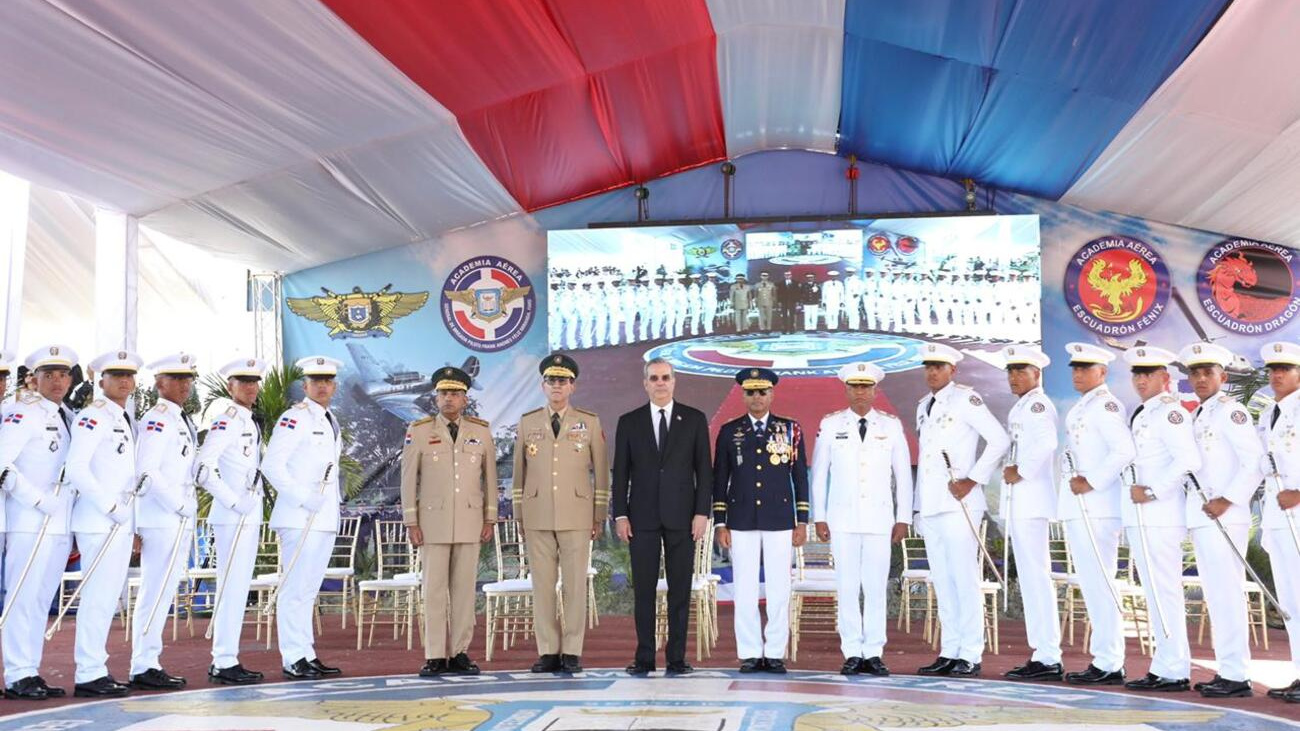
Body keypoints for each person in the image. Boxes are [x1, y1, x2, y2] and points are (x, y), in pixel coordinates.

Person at [914, 343, 1008, 677]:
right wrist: (917, 510)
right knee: (942, 579)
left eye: (938, 366)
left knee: (964, 578)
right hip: (933, 506)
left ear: (953, 370)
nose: (932, 372)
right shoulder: (924, 405)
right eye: (928, 366)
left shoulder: (965, 399)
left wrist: (973, 480)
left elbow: (999, 439)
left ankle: (970, 653)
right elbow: (925, 462)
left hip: (959, 505)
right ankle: (950, 649)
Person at [810, 362, 911, 676]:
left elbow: (903, 474)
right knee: (847, 586)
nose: (860, 392)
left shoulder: (890, 426)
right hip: (842, 518)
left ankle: (874, 651)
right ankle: (852, 651)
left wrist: (903, 516)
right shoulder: (831, 425)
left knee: (876, 586)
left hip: (880, 518)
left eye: (866, 386)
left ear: (875, 390)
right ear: (847, 389)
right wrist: (820, 516)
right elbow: (818, 473)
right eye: (855, 386)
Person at [612, 358, 711, 676]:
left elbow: (704, 472)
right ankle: (643, 657)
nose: (660, 383)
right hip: (641, 519)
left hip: (683, 517)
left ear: (674, 381)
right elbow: (621, 474)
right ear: (645, 383)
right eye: (654, 378)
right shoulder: (629, 422)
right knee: (643, 590)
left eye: (665, 377)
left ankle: (677, 658)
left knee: (680, 590)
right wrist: (620, 515)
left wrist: (701, 513)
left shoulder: (694, 419)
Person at [512, 354, 609, 674]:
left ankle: (572, 650)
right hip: (537, 512)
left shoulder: (589, 422)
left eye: (563, 381)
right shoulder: (527, 422)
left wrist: (598, 515)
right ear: (542, 386)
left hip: (577, 515)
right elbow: (518, 474)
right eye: (552, 381)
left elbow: (602, 473)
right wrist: (519, 514)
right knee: (542, 585)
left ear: (573, 386)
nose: (557, 386)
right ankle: (548, 651)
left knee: (574, 586)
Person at [402, 366, 496, 677]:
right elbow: (407, 481)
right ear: (435, 397)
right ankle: (434, 655)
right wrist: (411, 521)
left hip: (470, 521)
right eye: (443, 393)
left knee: (464, 591)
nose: (448, 399)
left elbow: (491, 480)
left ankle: (459, 652)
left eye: (455, 393)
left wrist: (490, 517)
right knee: (434, 590)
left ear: (465, 398)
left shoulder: (481, 431)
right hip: (432, 522)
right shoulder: (419, 430)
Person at [713, 368, 809, 673]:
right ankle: (751, 652)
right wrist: (720, 522)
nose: (757, 397)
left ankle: (776, 651)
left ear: (772, 394)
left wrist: (802, 519)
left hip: (780, 518)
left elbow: (799, 476)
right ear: (743, 395)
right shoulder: (730, 431)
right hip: (740, 518)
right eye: (751, 392)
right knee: (744, 588)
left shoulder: (790, 429)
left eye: (762, 391)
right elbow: (720, 479)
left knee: (780, 587)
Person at [1178, 342, 1260, 698]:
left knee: (1226, 593)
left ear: (1222, 377)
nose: (1199, 379)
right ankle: (1227, 669)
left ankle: (1237, 675)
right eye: (1194, 373)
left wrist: (1227, 499)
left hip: (1225, 516)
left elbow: (1254, 460)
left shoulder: (1231, 411)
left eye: (1207, 372)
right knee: (1216, 594)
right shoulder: (1200, 413)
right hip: (1204, 516)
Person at [0, 344, 77, 700]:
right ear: (34, 379)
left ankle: (30, 669)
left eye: (63, 375)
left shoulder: (69, 416)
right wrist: (38, 500)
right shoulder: (22, 413)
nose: (58, 381)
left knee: (40, 599)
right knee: (22, 597)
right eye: (49, 375)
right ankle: (17, 673)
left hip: (59, 522)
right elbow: (3, 465)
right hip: (29, 519)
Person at [262, 355, 346, 680]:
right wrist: (302, 498)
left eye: (327, 381)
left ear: (334, 386)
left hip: (323, 518)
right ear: (304, 386)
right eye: (316, 381)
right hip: (299, 517)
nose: (322, 386)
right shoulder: (293, 418)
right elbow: (271, 465)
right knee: (294, 588)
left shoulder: (328, 419)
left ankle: (306, 653)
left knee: (308, 590)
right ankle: (292, 657)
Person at [1120, 347, 1199, 693]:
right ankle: (1164, 664)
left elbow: (1188, 459)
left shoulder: (1170, 413)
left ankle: (1174, 669)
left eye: (1148, 374)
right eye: (1137, 374)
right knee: (1154, 592)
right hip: (1142, 515)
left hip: (1160, 515)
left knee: (1165, 591)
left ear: (1165, 379)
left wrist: (1153, 491)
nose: (1140, 380)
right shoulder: (1144, 411)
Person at [66, 350, 142, 697]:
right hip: (100, 520)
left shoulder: (124, 416)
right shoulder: (93, 416)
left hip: (120, 521)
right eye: (116, 375)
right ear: (101, 381)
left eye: (129, 376)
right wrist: (111, 506)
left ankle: (96, 667)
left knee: (107, 598)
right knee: (97, 598)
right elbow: (77, 468)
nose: (124, 381)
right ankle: (88, 672)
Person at [1059, 342, 1136, 686]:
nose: (1077, 373)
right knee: (1093, 585)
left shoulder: (1105, 405)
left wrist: (1091, 481)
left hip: (1098, 508)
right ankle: (1103, 657)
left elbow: (1124, 450)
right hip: (1082, 507)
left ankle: (1110, 661)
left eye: (1085, 368)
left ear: (1102, 372)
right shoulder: (1084, 406)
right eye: (1075, 368)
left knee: (1101, 584)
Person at [196, 357, 270, 686]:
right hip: (232, 516)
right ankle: (223, 659)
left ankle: (228, 656)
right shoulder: (227, 420)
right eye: (243, 382)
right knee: (231, 586)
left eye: (254, 382)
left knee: (239, 588)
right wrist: (233, 500)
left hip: (246, 515)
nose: (250, 387)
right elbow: (202, 467)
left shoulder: (249, 420)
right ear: (230, 387)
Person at [131, 352, 200, 691]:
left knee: (163, 592)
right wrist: (178, 505)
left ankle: (148, 660)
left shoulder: (179, 418)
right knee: (155, 592)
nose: (183, 385)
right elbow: (147, 470)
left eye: (187, 379)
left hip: (177, 516)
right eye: (175, 379)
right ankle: (142, 664)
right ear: (159, 383)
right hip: (162, 516)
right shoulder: (158, 417)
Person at [997, 345, 1063, 682]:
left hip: (1032, 502)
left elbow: (1047, 443)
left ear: (1037, 374)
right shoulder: (1023, 405)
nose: (1013, 377)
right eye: (1010, 371)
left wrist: (1020, 470)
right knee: (1032, 578)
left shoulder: (1037, 404)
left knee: (1037, 578)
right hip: (1023, 502)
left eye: (1020, 371)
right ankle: (1041, 651)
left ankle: (1048, 654)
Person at [1257, 341, 1300, 705]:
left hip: (1298, 513)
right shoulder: (1269, 412)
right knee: (1290, 601)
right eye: (1273, 369)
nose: (1277, 375)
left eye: (1285, 369)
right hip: (1276, 516)